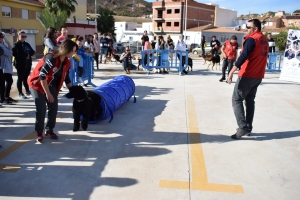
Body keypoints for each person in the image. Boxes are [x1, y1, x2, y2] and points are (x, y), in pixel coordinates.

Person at [27, 39, 78, 142]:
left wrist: (74, 91)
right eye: (73, 51)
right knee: (41, 108)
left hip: (50, 84)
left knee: (53, 107)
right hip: (37, 84)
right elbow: (42, 75)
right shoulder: (52, 57)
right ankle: (39, 132)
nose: (74, 53)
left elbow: (66, 77)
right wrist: (48, 93)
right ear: (67, 49)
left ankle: (49, 130)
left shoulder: (67, 62)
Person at [227, 19, 269, 139]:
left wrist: (231, 71)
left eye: (248, 27)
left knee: (236, 99)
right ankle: (248, 127)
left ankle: (243, 127)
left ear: (255, 29)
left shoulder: (252, 39)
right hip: (258, 75)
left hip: (247, 75)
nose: (246, 29)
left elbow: (243, 56)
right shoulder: (264, 40)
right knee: (250, 101)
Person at [12, 31, 35, 99]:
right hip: (20, 64)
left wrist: (29, 54)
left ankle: (27, 90)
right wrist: (25, 55)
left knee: (26, 77)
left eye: (25, 36)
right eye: (22, 36)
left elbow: (32, 51)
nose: (24, 38)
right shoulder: (16, 44)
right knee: (20, 78)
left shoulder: (26, 44)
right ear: (18, 36)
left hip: (28, 63)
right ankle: (20, 93)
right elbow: (14, 54)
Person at [0, 32, 16, 104]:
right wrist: (9, 50)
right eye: (1, 37)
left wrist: (5, 38)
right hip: (3, 67)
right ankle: (4, 98)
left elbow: (10, 49)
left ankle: (5, 97)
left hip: (4, 67)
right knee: (6, 82)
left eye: (2, 37)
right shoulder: (1, 46)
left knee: (7, 82)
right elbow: (9, 52)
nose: (2, 39)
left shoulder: (3, 44)